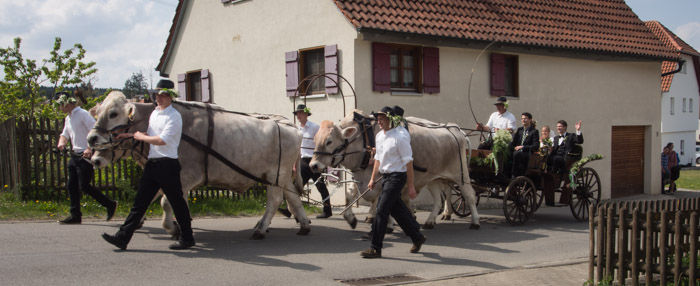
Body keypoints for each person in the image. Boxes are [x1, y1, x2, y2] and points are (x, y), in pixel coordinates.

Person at [102, 79, 195, 250]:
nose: (158, 98)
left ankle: (187, 238)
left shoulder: (174, 116)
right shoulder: (155, 113)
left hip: (168, 165)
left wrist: (140, 137)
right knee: (140, 203)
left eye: (163, 95)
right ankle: (122, 238)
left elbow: (162, 140)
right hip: (152, 164)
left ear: (170, 97)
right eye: (156, 95)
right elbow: (150, 134)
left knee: (177, 203)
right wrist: (129, 136)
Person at [360, 105, 426, 259]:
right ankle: (417, 236)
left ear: (390, 119)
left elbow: (408, 163)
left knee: (381, 210)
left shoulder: (400, 137)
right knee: (396, 210)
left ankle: (375, 248)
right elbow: (377, 159)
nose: (379, 121)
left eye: (382, 118)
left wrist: (411, 187)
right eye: (378, 119)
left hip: (397, 177)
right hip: (386, 177)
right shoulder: (379, 136)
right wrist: (372, 179)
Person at [55, 91, 117, 224]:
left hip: (86, 154)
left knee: (83, 185)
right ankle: (75, 215)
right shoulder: (68, 118)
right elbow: (64, 134)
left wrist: (90, 148)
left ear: (67, 102)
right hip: (75, 154)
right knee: (72, 185)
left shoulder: (82, 114)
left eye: (61, 105)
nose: (60, 108)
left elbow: (94, 131)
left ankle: (110, 204)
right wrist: (61, 143)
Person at [293, 104, 332, 218]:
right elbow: (297, 147)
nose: (298, 115)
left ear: (306, 114)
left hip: (314, 160)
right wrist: (294, 164)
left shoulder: (314, 127)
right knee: (297, 186)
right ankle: (290, 209)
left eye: (300, 113)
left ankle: (327, 210)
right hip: (303, 161)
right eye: (297, 113)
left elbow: (321, 141)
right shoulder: (297, 129)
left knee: (320, 186)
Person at [510, 112, 539, 177]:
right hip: (517, 152)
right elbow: (514, 142)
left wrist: (523, 147)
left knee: (516, 154)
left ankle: (513, 174)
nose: (523, 120)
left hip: (526, 153)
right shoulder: (520, 130)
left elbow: (536, 146)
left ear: (530, 120)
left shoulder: (534, 131)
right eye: (522, 118)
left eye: (525, 118)